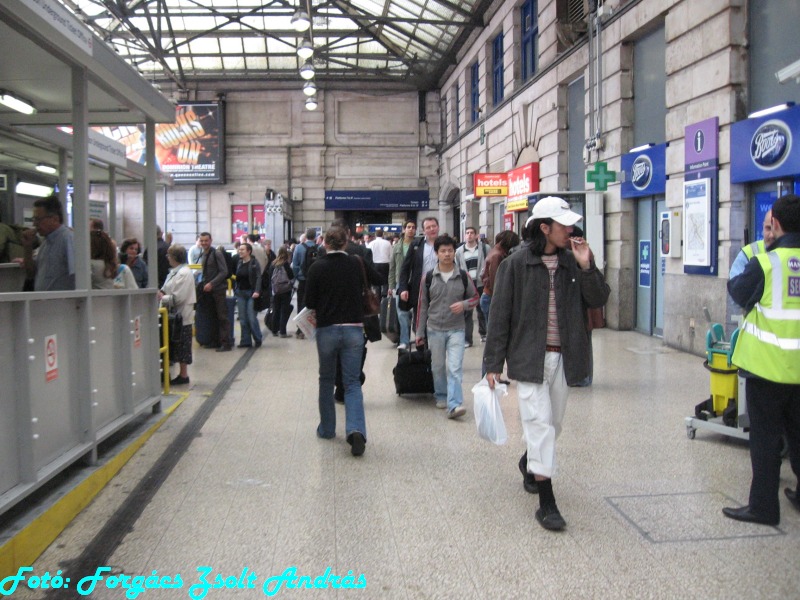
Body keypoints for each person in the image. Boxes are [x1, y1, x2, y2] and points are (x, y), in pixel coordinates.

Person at [483, 196, 609, 531]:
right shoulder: (515, 264)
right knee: (539, 425)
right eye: (563, 223)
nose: (570, 229)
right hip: (528, 357)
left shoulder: (573, 261)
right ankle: (547, 502)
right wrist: (493, 363)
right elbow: (499, 316)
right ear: (544, 228)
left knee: (554, 426)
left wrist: (586, 265)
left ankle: (529, 461)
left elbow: (598, 299)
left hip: (564, 356)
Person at [723, 193, 800, 526]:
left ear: (777, 225)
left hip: (767, 369)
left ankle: (764, 507)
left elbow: (738, 291)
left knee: (766, 440)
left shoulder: (767, 262)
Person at [304, 225, 370, 457]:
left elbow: (309, 300)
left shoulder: (317, 267)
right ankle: (356, 431)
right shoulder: (355, 263)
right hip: (353, 329)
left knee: (326, 380)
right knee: (351, 382)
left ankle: (327, 429)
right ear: (346, 242)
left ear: (325, 243)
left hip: (327, 330)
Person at [415, 235, 479, 418]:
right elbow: (422, 306)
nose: (447, 254)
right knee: (438, 366)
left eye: (450, 250)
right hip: (434, 329)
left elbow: (475, 298)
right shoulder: (428, 278)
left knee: (455, 367)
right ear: (436, 253)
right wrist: (419, 332)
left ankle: (455, 404)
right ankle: (441, 395)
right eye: (443, 251)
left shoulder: (463, 276)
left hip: (457, 329)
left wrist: (464, 305)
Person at [158, 244, 196, 385]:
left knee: (182, 343)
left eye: (169, 255)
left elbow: (179, 296)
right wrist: (162, 292)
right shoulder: (174, 271)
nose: (167, 258)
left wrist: (162, 298)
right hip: (172, 314)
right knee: (175, 343)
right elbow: (167, 287)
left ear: (174, 256)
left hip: (181, 315)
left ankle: (183, 375)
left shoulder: (184, 273)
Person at [21, 195, 75, 291]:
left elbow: (78, 275)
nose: (34, 224)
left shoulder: (68, 239)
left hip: (62, 303)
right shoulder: (45, 243)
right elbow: (31, 274)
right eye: (34, 219)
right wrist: (27, 247)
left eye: (38, 219)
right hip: (44, 303)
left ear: (54, 219)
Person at [397, 217, 440, 321]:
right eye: (428, 227)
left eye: (434, 226)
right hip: (420, 289)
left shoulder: (445, 244)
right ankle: (421, 337)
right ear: (423, 231)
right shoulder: (416, 244)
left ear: (438, 228)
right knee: (420, 320)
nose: (432, 229)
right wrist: (403, 288)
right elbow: (405, 268)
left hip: (440, 288)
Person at [197, 232, 232, 352]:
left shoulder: (216, 253)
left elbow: (224, 271)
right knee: (212, 316)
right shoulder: (204, 254)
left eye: (206, 240)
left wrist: (212, 283)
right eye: (201, 241)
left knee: (222, 316)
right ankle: (215, 341)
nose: (204, 243)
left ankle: (225, 343)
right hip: (208, 290)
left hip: (218, 290)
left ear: (210, 240)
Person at [480, 230, 521, 333]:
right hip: (491, 297)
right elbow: (495, 281)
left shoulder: (494, 251)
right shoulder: (497, 255)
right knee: (494, 332)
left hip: (488, 296)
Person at [455, 226, 489, 346]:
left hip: (480, 283)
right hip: (466, 284)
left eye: (471, 233)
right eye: (467, 233)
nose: (469, 235)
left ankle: (484, 333)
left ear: (476, 235)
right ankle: (467, 339)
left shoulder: (484, 248)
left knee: (482, 309)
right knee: (467, 312)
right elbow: (457, 267)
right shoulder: (459, 251)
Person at [388, 221, 418, 350]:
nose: (411, 230)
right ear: (404, 229)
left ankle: (419, 338)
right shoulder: (397, 247)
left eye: (413, 228)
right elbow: (392, 267)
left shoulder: (419, 245)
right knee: (402, 314)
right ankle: (404, 340)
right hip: (401, 282)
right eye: (408, 227)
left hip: (416, 281)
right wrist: (391, 285)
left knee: (418, 312)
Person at [730, 209, 775, 279]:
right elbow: (734, 286)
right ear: (763, 227)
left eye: (775, 229)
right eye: (768, 228)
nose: (771, 235)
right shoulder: (748, 253)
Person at [233, 242, 263, 348]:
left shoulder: (254, 263)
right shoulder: (239, 262)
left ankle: (258, 338)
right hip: (240, 293)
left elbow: (259, 277)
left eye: (242, 250)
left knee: (251, 317)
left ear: (248, 251)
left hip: (251, 293)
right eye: (239, 249)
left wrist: (257, 291)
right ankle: (245, 341)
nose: (240, 251)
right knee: (242, 318)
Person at [291, 228, 319, 339]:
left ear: (306, 236)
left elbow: (295, 265)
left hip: (303, 280)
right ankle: (315, 328)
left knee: (301, 303)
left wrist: (297, 276)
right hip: (316, 281)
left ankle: (300, 330)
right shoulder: (319, 248)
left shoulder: (299, 248)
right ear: (315, 237)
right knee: (315, 304)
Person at [267, 246, 295, 337]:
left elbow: (269, 277)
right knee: (284, 310)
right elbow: (291, 276)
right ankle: (282, 332)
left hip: (275, 291)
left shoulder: (273, 263)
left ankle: (274, 330)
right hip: (285, 290)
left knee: (276, 310)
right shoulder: (286, 264)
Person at [367, 229, 392, 297]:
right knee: (385, 280)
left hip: (375, 264)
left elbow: (368, 254)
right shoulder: (387, 243)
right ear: (383, 234)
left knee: (376, 281)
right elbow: (391, 254)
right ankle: (384, 294)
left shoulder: (371, 243)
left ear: (375, 235)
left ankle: (377, 296)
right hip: (385, 263)